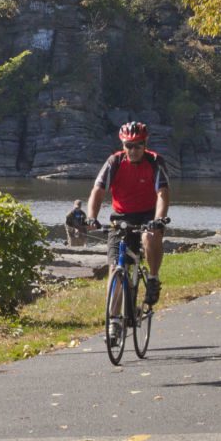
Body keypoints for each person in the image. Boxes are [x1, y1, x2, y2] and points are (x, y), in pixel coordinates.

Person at [73, 121, 171, 305]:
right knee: (115, 268)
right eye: (129, 145)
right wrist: (92, 217)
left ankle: (153, 278)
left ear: (145, 144)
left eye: (138, 145)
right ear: (123, 144)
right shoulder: (114, 162)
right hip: (121, 215)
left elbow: (162, 193)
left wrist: (158, 219)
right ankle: (113, 319)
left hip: (148, 214)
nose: (133, 150)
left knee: (150, 236)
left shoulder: (154, 161)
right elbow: (98, 191)